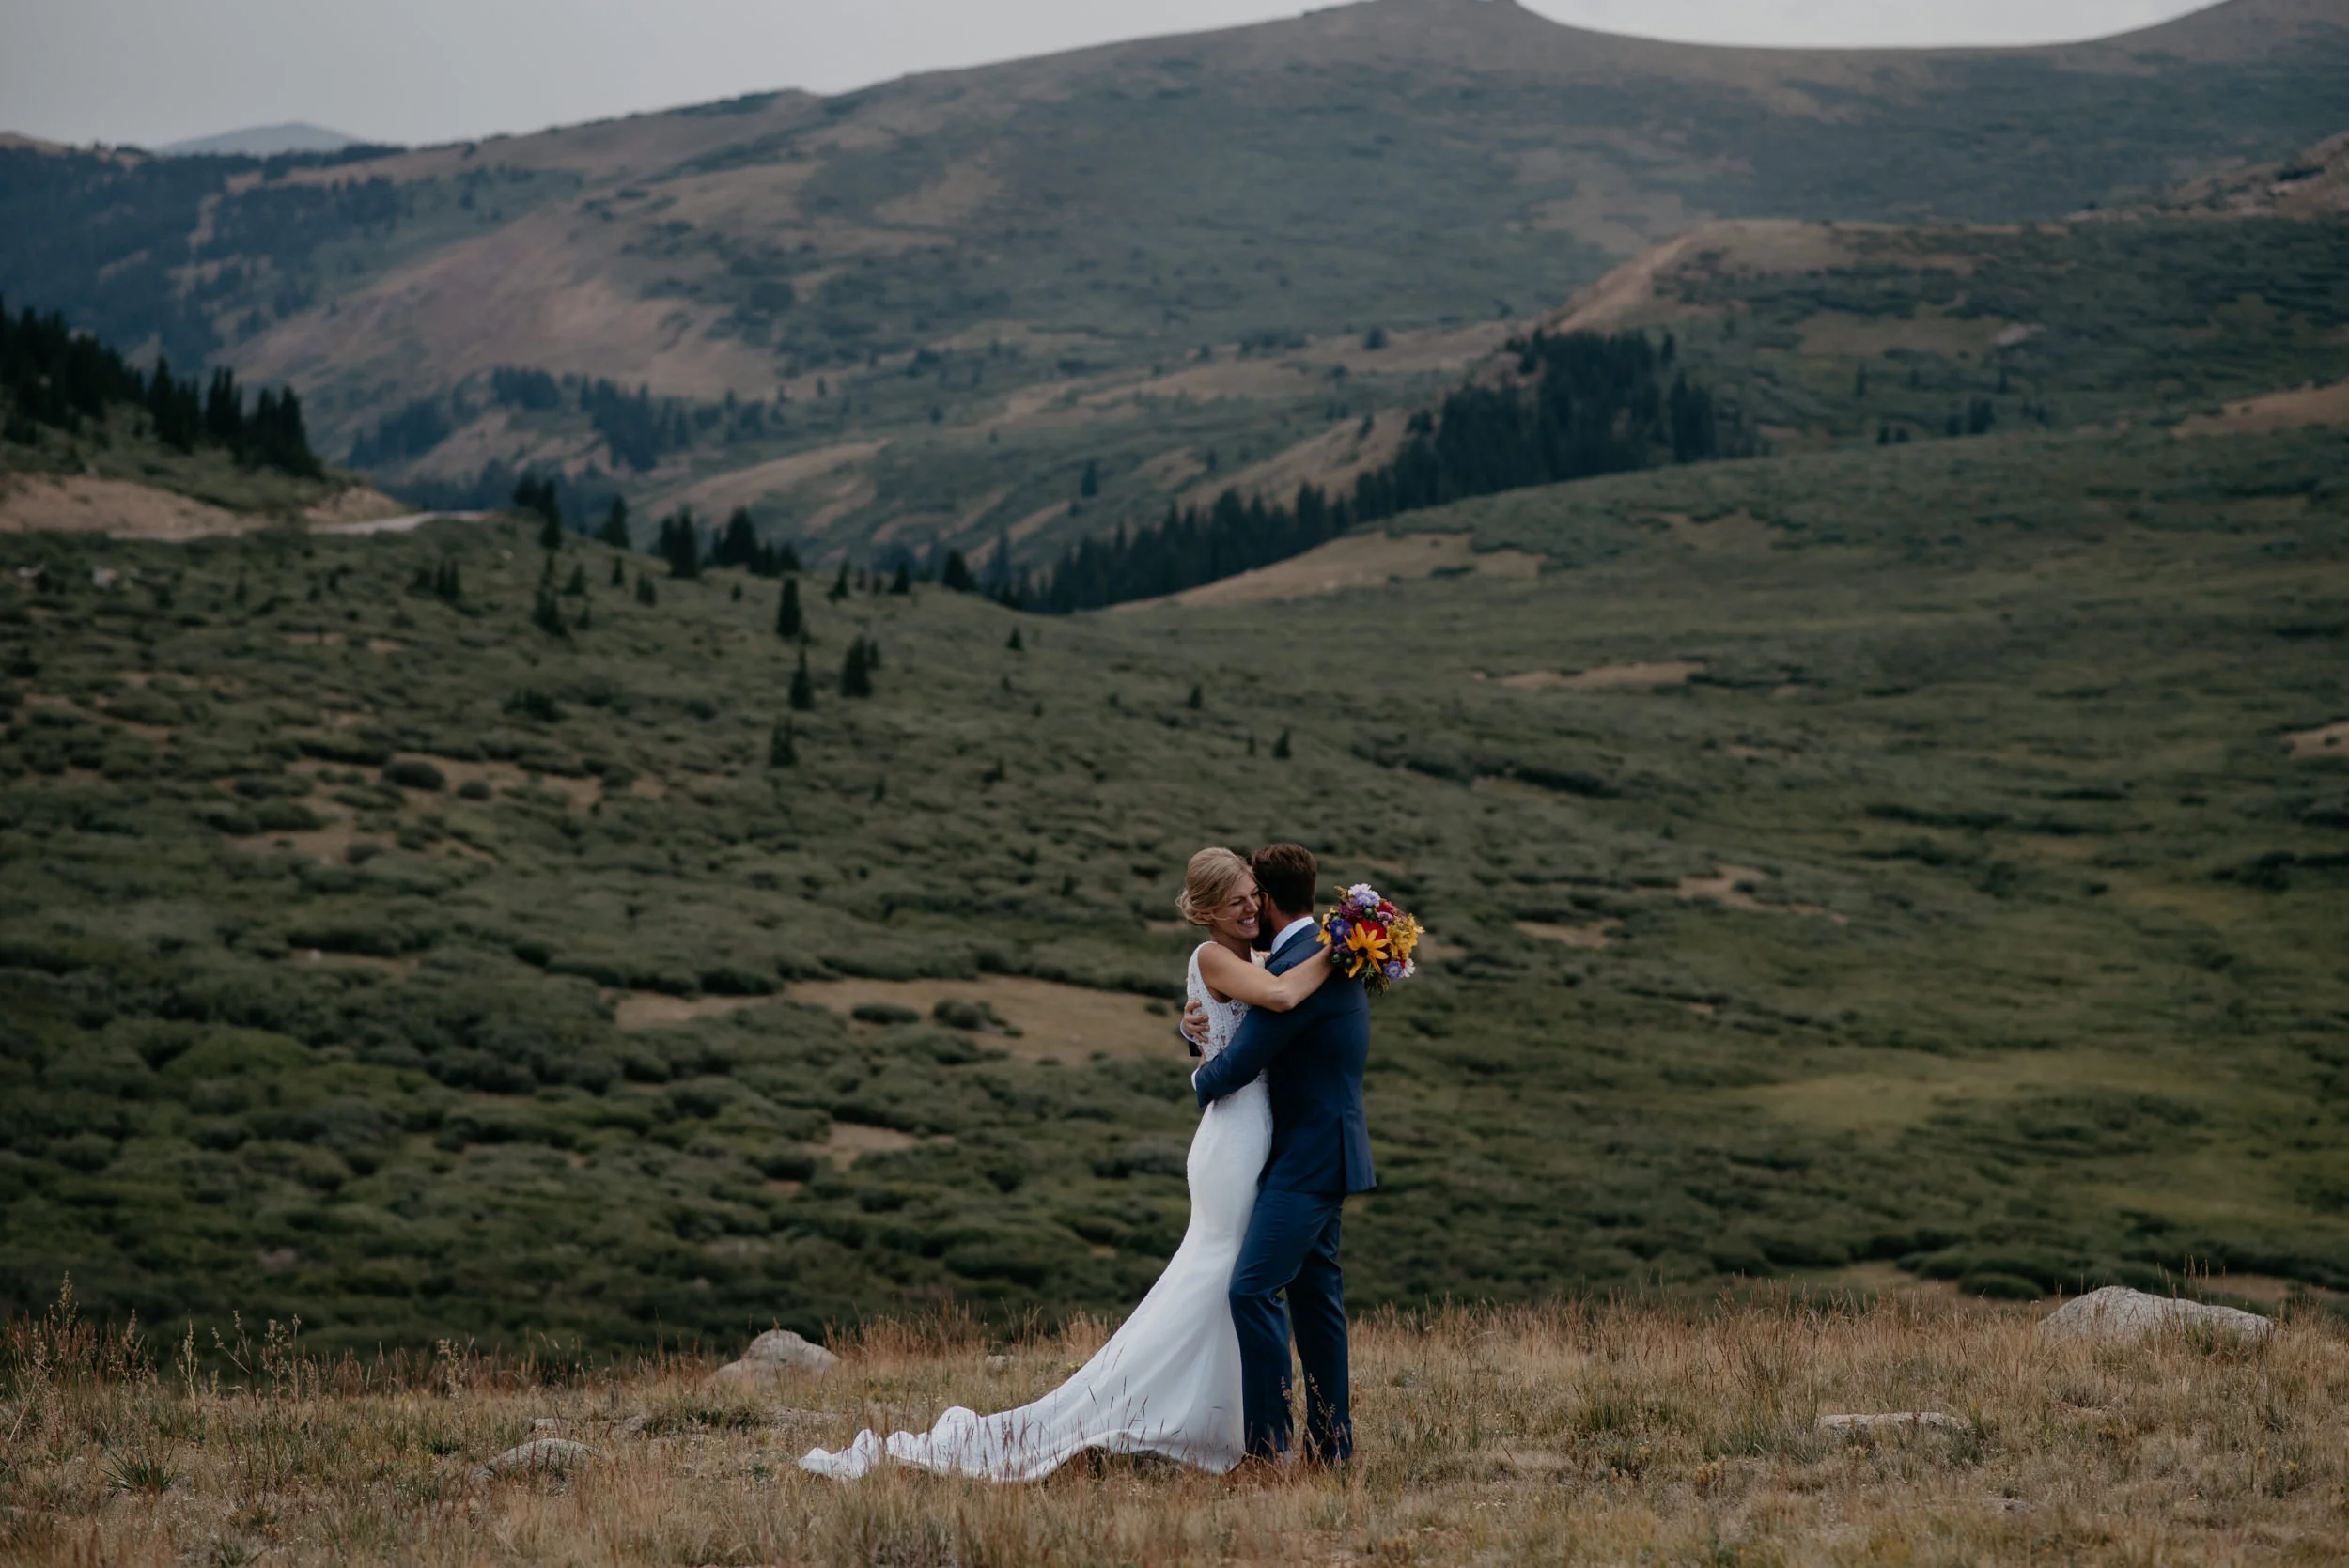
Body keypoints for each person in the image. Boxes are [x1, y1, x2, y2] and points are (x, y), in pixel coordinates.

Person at [798, 846, 1332, 1480]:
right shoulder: (1218, 956)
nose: (1251, 906)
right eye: (1236, 899)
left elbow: (1228, 1016)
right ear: (1208, 910)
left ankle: (1215, 1417)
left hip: (1250, 1130)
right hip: (1235, 1139)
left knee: (1221, 1281)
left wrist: (1195, 1028)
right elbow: (1277, 995)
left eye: (1253, 894)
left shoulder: (1244, 956)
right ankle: (1182, 1417)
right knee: (1225, 1274)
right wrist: (1347, 943)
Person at [1186, 841, 1373, 1466]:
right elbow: (1246, 1018)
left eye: (1248, 896)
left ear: (1264, 899)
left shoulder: (1301, 959)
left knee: (1251, 1290)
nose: (1244, 907)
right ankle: (1332, 1448)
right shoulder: (1314, 952)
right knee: (1316, 1300)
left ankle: (1269, 1452)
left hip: (1306, 1156)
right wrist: (1195, 1027)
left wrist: (1200, 1077)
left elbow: (1238, 1062)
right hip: (1323, 1148)